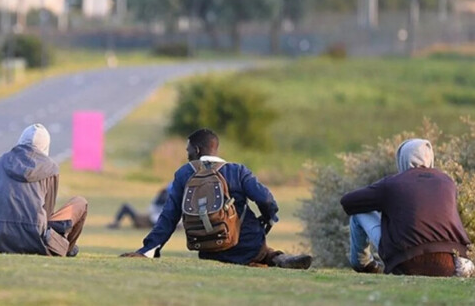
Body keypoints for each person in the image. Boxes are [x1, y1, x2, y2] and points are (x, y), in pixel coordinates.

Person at [121, 128, 313, 269]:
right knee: (261, 249)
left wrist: (148, 250)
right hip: (247, 246)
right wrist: (269, 217)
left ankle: (271, 259)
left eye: (188, 150)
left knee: (250, 253)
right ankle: (275, 258)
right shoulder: (237, 171)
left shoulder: (184, 174)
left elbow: (169, 217)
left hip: (208, 250)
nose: (187, 154)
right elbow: (266, 200)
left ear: (197, 150)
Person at [340, 139, 472, 276]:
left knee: (359, 213)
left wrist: (383, 204)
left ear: (402, 159)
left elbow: (348, 202)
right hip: (450, 264)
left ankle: (364, 265)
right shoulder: (447, 182)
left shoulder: (392, 184)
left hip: (407, 263)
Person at [0, 124, 87, 257]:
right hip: (35, 242)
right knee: (80, 203)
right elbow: (47, 212)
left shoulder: (0, 162)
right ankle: (66, 248)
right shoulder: (51, 168)